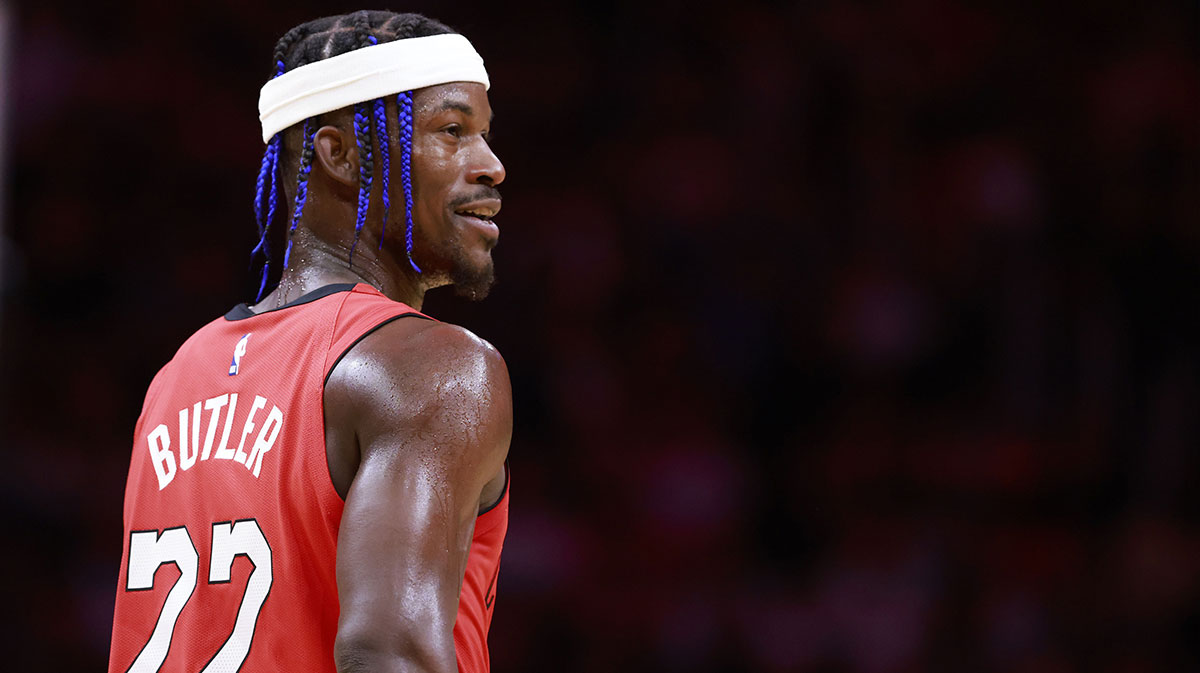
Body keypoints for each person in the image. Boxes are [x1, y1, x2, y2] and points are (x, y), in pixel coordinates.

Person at [107, 11, 511, 672]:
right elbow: (389, 654)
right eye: (451, 131)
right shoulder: (434, 367)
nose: (491, 166)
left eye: (485, 136)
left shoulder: (177, 376)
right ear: (341, 154)